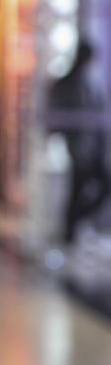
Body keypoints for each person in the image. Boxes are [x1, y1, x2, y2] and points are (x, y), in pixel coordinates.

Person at [48, 38, 110, 243]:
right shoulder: (73, 83)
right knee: (79, 190)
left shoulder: (87, 82)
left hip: (88, 148)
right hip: (81, 148)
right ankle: (70, 230)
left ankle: (71, 228)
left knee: (83, 190)